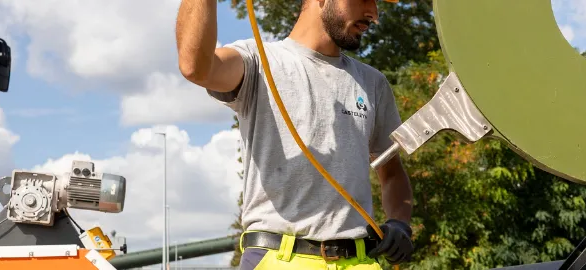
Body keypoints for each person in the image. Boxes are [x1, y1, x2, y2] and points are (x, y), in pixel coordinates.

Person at [176, 0, 414, 269]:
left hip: (360, 260)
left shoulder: (373, 83)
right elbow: (195, 67)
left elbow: (392, 172)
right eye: (363, 0)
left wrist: (399, 222)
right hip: (278, 257)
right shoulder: (258, 60)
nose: (373, 14)